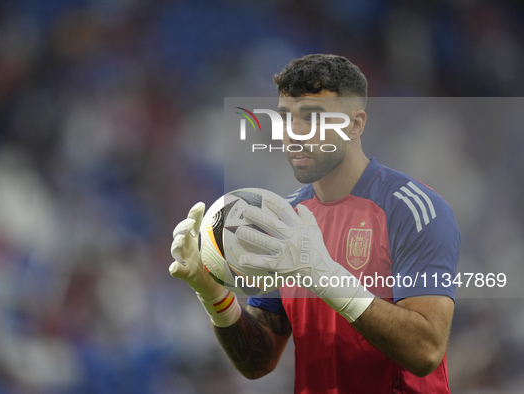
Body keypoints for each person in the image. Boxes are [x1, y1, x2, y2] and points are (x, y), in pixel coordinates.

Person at [169, 54, 460, 394]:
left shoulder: (413, 209)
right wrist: (212, 293)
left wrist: (321, 274)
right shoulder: (282, 216)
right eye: (285, 118)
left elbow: (425, 350)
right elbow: (259, 360)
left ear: (355, 124)